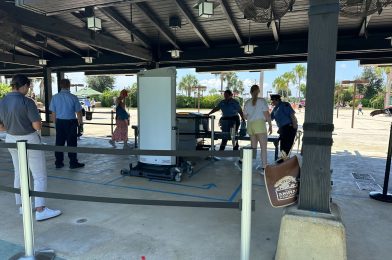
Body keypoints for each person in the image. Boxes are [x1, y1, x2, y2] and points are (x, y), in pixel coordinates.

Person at [0, 74, 61, 221]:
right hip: (29, 138)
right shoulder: (27, 102)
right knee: (39, 175)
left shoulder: (2, 101)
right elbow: (37, 126)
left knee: (19, 173)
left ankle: (22, 206)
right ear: (25, 86)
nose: (28, 89)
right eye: (28, 86)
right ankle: (40, 209)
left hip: (10, 138)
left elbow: (1, 127)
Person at [49, 79, 85, 169]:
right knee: (72, 143)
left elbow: (53, 113)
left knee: (59, 143)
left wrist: (55, 124)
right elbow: (79, 112)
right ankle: (73, 163)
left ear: (60, 86)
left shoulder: (55, 97)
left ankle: (58, 162)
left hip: (60, 122)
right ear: (69, 85)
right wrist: (81, 124)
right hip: (71, 122)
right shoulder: (73, 97)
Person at [243, 85, 273, 173]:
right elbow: (267, 114)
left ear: (250, 92)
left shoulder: (247, 102)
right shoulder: (262, 101)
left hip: (250, 125)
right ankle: (264, 167)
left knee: (253, 148)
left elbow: (245, 116)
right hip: (259, 125)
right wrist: (270, 125)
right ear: (258, 91)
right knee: (263, 147)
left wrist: (251, 115)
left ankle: (247, 165)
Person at [270, 94, 298, 158]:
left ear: (277, 100)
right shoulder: (275, 109)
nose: (272, 102)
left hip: (289, 128)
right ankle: (283, 161)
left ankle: (283, 161)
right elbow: (270, 118)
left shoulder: (284, 105)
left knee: (287, 146)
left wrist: (295, 127)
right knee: (283, 146)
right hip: (283, 129)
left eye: (273, 100)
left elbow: (292, 115)